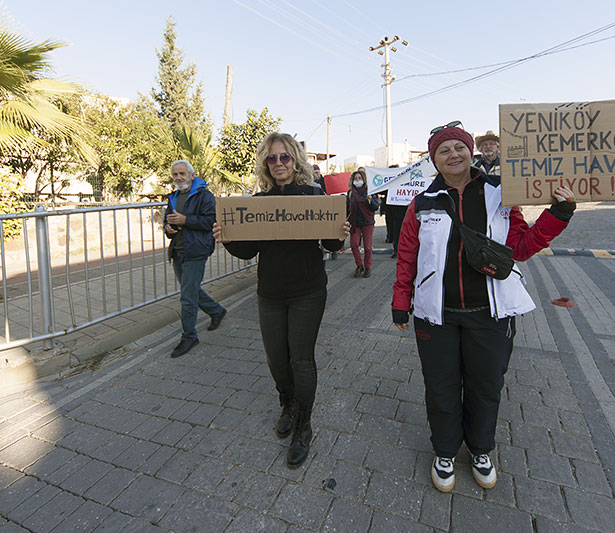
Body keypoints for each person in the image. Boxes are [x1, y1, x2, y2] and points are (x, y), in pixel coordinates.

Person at [392, 122, 575, 492]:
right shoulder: (422, 203)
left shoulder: (499, 193)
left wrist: (559, 214)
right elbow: (407, 256)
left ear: (470, 151)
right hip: (436, 316)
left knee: (485, 387)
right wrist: (401, 301)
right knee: (440, 387)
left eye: (459, 147)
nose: (453, 155)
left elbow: (520, 247)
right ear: (434, 160)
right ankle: (444, 451)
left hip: (490, 315)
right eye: (444, 151)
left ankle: (480, 449)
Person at [212, 133, 349, 468]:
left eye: (284, 157)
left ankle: (304, 424)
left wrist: (340, 232)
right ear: (265, 164)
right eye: (271, 159)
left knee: (301, 360)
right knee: (277, 360)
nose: (278, 164)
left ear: (295, 160)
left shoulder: (315, 196)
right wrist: (226, 237)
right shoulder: (259, 201)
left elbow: (331, 247)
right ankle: (287, 404)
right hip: (270, 294)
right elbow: (248, 250)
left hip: (308, 291)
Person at [164, 160, 227, 358]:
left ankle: (189, 336)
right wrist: (169, 228)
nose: (178, 177)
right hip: (178, 251)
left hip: (196, 251)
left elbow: (211, 221)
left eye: (182, 173)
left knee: (188, 297)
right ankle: (216, 311)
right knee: (190, 290)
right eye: (175, 174)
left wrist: (185, 220)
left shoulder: (204, 195)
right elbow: (168, 221)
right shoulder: (173, 197)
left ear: (192, 175)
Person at [346, 168, 379, 278]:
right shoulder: (350, 193)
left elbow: (375, 207)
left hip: (367, 222)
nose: (357, 180)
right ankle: (359, 266)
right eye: (355, 178)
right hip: (355, 223)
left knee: (368, 247)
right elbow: (347, 208)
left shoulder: (370, 190)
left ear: (364, 179)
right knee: (354, 245)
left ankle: (368, 267)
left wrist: (370, 200)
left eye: (359, 178)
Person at [313, 164, 337, 260]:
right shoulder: (310, 184)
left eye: (317, 172)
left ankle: (333, 250)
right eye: (314, 173)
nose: (316, 175)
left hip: (326, 208)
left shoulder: (325, 181)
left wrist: (334, 177)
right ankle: (323, 250)